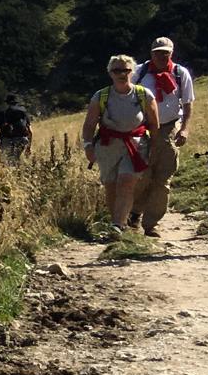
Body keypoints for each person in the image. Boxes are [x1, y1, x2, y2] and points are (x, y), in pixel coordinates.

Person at [81, 55, 160, 234]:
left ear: (132, 72)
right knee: (111, 186)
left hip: (136, 145)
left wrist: (154, 147)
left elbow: (154, 125)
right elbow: (89, 125)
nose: (122, 74)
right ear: (110, 73)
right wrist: (88, 146)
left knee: (126, 182)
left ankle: (118, 224)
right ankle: (117, 222)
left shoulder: (144, 95)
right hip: (108, 146)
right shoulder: (100, 96)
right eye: (117, 70)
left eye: (126, 70)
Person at [130, 36, 194, 234]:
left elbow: (188, 102)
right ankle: (134, 213)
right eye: (158, 53)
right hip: (142, 128)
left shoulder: (179, 73)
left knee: (163, 177)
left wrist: (184, 128)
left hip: (168, 127)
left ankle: (151, 224)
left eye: (165, 53)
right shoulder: (138, 73)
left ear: (171, 53)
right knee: (142, 174)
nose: (161, 56)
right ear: (151, 54)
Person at [0, 94, 33, 164]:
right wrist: (29, 147)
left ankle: (10, 172)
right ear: (17, 103)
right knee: (16, 159)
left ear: (7, 103)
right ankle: (18, 172)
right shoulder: (23, 113)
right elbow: (30, 131)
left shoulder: (2, 113)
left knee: (5, 162)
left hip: (6, 140)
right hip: (22, 139)